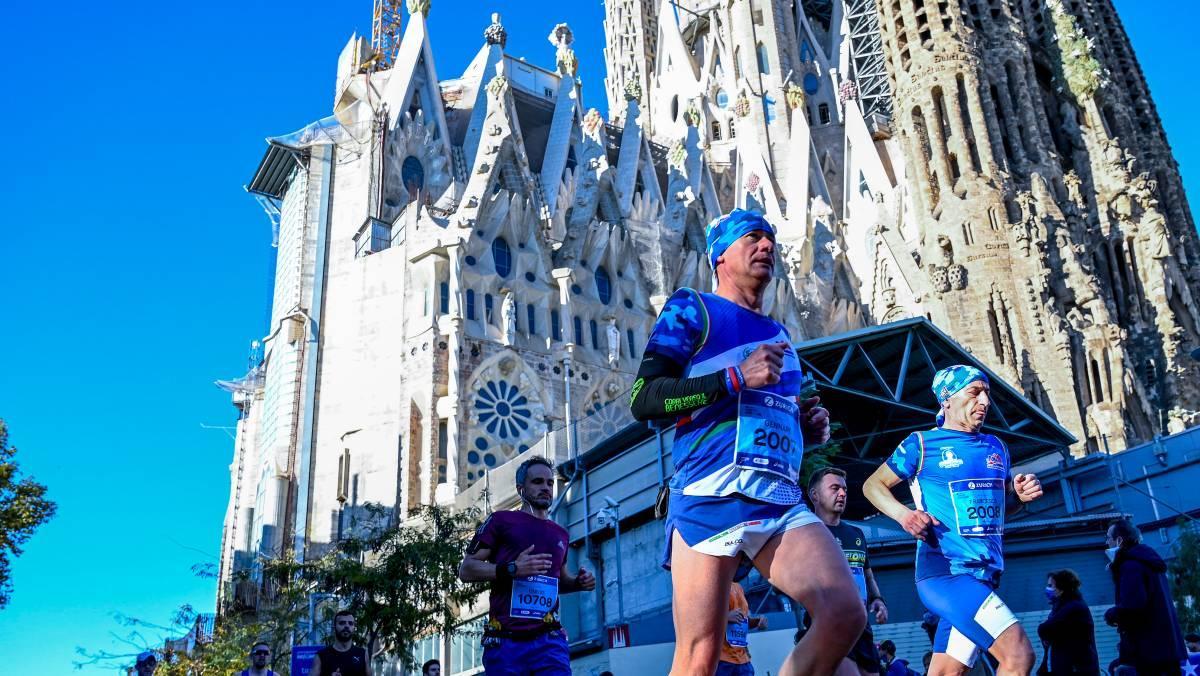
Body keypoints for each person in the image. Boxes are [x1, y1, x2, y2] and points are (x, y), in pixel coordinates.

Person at [629, 208, 864, 675]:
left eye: (771, 239)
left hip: (776, 500)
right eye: (753, 238)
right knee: (698, 658)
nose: (767, 246)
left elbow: (766, 412)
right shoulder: (691, 307)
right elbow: (645, 399)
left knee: (844, 613)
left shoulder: (781, 335)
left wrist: (804, 429)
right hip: (710, 495)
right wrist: (736, 375)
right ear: (720, 255)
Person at [863, 365, 1044, 674]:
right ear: (946, 400)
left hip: (983, 577)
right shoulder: (920, 444)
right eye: (974, 393)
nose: (985, 402)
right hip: (947, 575)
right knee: (1018, 656)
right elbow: (872, 486)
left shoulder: (996, 447)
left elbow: (999, 509)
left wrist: (1018, 498)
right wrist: (904, 515)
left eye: (987, 394)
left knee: (946, 672)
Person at [458, 456, 596, 676]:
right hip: (506, 643)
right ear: (521, 489)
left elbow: (558, 581)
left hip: (549, 641)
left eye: (550, 483)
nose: (545, 488)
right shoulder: (501, 521)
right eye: (538, 482)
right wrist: (511, 569)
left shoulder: (560, 533)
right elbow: (466, 569)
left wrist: (578, 583)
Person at [808, 467, 887, 676]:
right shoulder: (806, 533)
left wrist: (877, 599)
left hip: (861, 626)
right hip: (828, 626)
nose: (842, 493)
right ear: (815, 495)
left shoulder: (856, 534)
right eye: (834, 488)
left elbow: (867, 573)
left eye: (844, 489)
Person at [1104, 518, 1186, 675]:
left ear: (1119, 540)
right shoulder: (1150, 562)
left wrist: (1112, 614)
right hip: (1166, 647)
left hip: (1148, 650)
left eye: (1108, 537)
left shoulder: (1130, 566)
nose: (1107, 542)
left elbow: (1133, 605)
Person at [1036, 569, 1098, 675]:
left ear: (1061, 588)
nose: (1047, 589)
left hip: (1076, 669)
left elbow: (1045, 629)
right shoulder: (1062, 607)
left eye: (1051, 586)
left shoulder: (1073, 607)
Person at [719, 580, 768, 675]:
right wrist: (725, 617)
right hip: (721, 660)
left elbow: (741, 618)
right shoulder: (709, 584)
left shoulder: (738, 587)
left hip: (743, 660)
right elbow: (698, 620)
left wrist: (757, 622)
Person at [311, 610, 371, 676]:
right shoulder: (321, 656)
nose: (346, 626)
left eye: (350, 623)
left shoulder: (362, 654)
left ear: (354, 628)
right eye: (342, 623)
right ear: (334, 627)